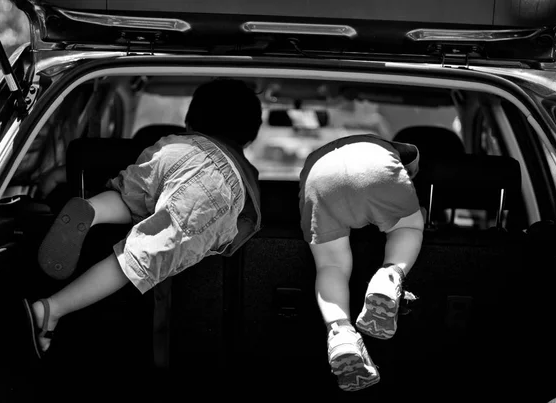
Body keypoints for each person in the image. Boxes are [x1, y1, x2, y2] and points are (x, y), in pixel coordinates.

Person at [24, 78, 263, 356]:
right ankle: (50, 310)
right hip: (212, 182)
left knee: (130, 199)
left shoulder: (180, 141)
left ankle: (93, 209)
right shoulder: (236, 170)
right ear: (249, 136)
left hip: (172, 152)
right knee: (138, 258)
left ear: (190, 120)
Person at [298, 133, 424, 392]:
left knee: (330, 265)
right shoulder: (390, 152)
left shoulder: (317, 157)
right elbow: (409, 170)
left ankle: (341, 335)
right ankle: (389, 276)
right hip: (377, 171)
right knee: (408, 228)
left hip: (319, 179)